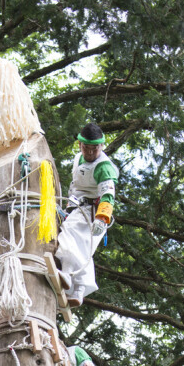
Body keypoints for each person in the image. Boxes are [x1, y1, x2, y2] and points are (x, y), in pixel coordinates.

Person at [55, 122, 119, 308]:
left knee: (69, 239)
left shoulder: (103, 167)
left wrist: (102, 218)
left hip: (92, 213)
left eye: (94, 149)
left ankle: (67, 275)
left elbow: (108, 195)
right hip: (76, 208)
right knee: (82, 252)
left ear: (101, 146)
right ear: (80, 145)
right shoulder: (78, 159)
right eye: (86, 148)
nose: (90, 153)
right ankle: (79, 291)